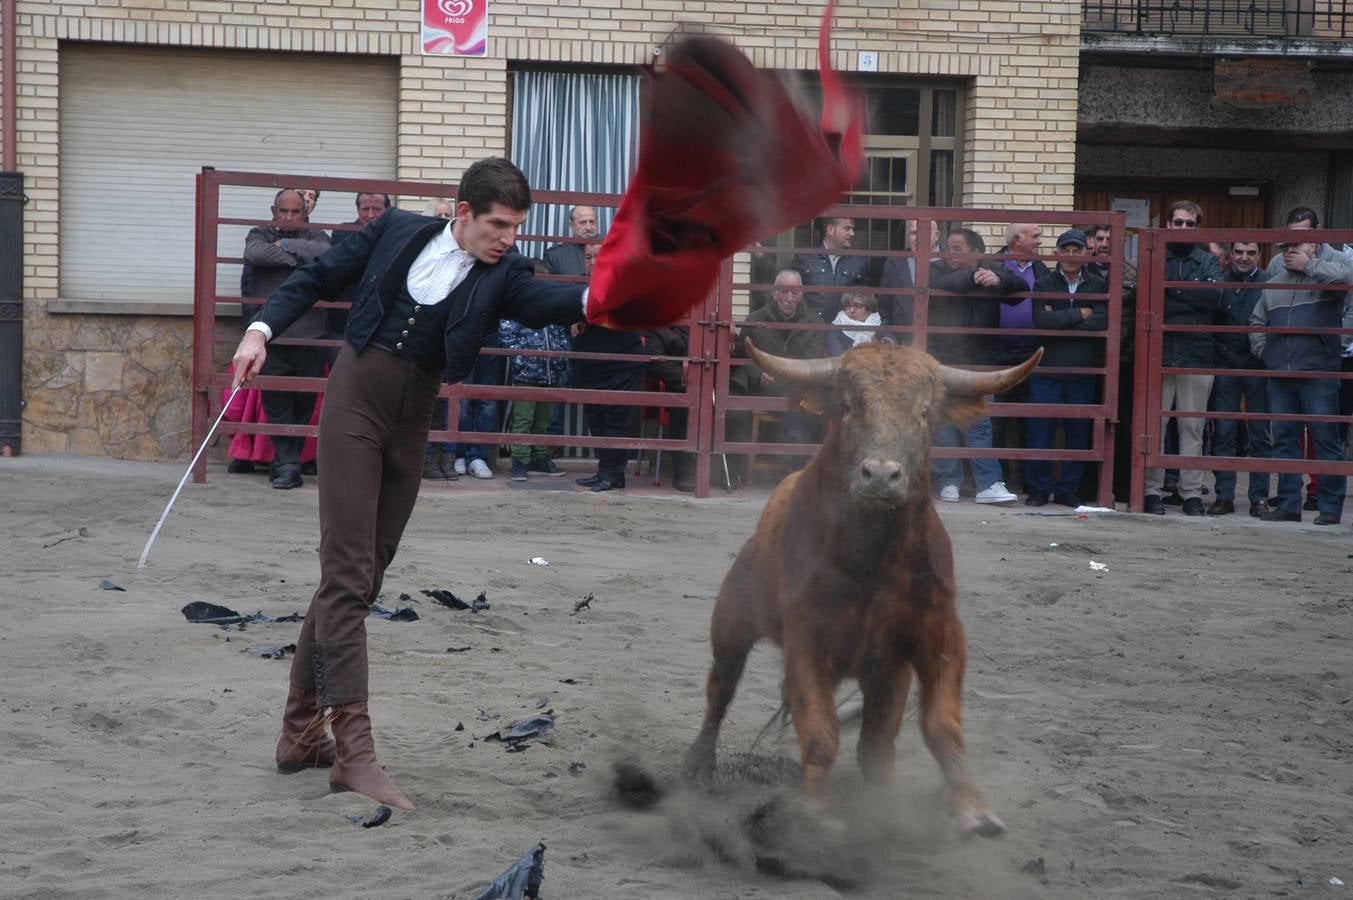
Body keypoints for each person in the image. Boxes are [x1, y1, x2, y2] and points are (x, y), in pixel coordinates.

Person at [230, 158, 590, 811]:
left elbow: (553, 298)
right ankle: (354, 755)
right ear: (463, 211)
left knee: (362, 579)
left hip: (411, 421)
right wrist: (260, 330)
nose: (508, 238)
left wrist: (609, 294)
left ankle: (298, 733)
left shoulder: (504, 271)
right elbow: (316, 276)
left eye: (516, 227)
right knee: (345, 574)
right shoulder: (395, 228)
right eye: (498, 224)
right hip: (354, 403)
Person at [1249, 234, 1353, 525]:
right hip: (1280, 372)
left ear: (1315, 247)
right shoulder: (1273, 283)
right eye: (1285, 247)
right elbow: (1257, 322)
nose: (1290, 252)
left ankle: (1330, 508)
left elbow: (1348, 276)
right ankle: (1288, 505)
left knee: (1325, 440)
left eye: (1298, 246)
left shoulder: (1325, 278)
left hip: (1318, 371)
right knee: (1284, 440)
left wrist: (1311, 266)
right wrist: (1265, 353)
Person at [928, 227, 1024, 505]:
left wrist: (997, 279)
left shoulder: (992, 269)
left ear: (976, 252)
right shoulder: (936, 269)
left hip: (980, 362)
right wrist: (974, 276)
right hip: (942, 359)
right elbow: (953, 283)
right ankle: (949, 483)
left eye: (957, 248)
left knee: (979, 422)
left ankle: (987, 484)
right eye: (948, 247)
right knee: (944, 422)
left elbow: (1021, 287)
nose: (950, 253)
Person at [243, 189, 332, 489]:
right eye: (284, 211)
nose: (289, 217)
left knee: (304, 402)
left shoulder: (317, 235)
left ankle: (285, 463)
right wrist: (297, 255)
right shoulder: (259, 233)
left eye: (296, 212)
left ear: (305, 214)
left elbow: (324, 253)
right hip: (273, 336)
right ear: (273, 211)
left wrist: (285, 246)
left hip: (311, 334)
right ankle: (290, 465)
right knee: (276, 401)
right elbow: (255, 253)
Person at [1142, 201, 1222, 517]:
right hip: (1157, 353)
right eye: (1178, 222)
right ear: (1169, 224)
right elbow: (1146, 297)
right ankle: (1151, 492)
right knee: (1154, 427)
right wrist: (1191, 292)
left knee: (1193, 427)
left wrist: (1168, 291)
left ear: (1197, 226)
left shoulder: (1209, 260)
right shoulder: (1154, 256)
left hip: (1197, 354)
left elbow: (1214, 298)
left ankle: (1191, 494)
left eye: (1190, 223)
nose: (1184, 228)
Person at [1026, 230, 1107, 508]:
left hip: (1082, 371)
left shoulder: (1097, 285)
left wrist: (1059, 318)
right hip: (1047, 369)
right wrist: (1079, 313)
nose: (1071, 256)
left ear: (1086, 253)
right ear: (1057, 252)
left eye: (1077, 251)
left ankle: (1066, 489)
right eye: (1066, 250)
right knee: (1040, 431)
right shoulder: (1043, 282)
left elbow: (1101, 322)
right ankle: (1038, 489)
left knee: (1078, 432)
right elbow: (1041, 322)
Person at [728, 268, 826, 478]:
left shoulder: (815, 324)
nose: (789, 298)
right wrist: (758, 375)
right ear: (773, 292)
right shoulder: (755, 319)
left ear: (803, 294)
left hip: (796, 390)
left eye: (795, 293)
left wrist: (787, 377)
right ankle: (739, 473)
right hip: (762, 388)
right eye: (783, 291)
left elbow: (812, 362)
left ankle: (795, 473)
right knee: (737, 410)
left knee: (802, 409)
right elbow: (744, 355)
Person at [572, 240, 645, 492]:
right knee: (598, 420)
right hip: (592, 367)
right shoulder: (583, 288)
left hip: (621, 366)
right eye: (588, 257)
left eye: (598, 257)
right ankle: (607, 472)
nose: (592, 263)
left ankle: (612, 473)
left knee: (617, 421)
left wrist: (586, 320)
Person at [1209, 240, 1272, 517]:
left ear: (1259, 254)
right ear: (1231, 254)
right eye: (1239, 252)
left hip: (1259, 365)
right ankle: (1224, 496)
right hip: (1226, 364)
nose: (1244, 258)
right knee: (1224, 432)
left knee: (1261, 434)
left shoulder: (1271, 282)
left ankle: (1259, 498)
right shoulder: (1219, 283)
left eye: (1250, 252)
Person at [499, 314, 570, 481]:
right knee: (523, 419)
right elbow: (507, 338)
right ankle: (520, 461)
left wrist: (559, 358)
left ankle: (538, 458)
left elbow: (562, 339)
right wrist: (523, 360)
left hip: (549, 374)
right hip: (526, 375)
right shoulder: (517, 310)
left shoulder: (553, 313)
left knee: (543, 421)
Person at [644, 325, 696, 492]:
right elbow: (656, 364)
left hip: (713, 384)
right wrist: (689, 382)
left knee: (736, 411)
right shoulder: (659, 326)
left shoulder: (711, 321)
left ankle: (730, 474)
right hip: (679, 385)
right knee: (683, 410)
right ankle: (683, 473)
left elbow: (735, 348)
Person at [792, 216, 870, 323]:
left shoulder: (859, 262)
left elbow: (869, 301)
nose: (852, 233)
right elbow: (790, 294)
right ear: (830, 230)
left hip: (844, 332)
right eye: (847, 228)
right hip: (811, 330)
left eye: (853, 229)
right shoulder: (805, 258)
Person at [878, 218, 940, 331]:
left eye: (924, 232)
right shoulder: (893, 264)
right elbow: (884, 308)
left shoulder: (951, 263)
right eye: (913, 233)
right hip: (903, 340)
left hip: (942, 341)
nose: (918, 238)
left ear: (937, 235)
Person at [543, 205, 599, 276]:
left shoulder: (610, 249)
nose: (588, 227)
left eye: (592, 222)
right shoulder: (555, 256)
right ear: (572, 226)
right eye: (583, 222)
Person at [825, 291, 882, 357]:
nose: (852, 310)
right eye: (848, 306)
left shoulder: (878, 324)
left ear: (869, 309)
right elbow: (837, 356)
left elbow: (889, 349)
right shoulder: (835, 328)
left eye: (857, 306)